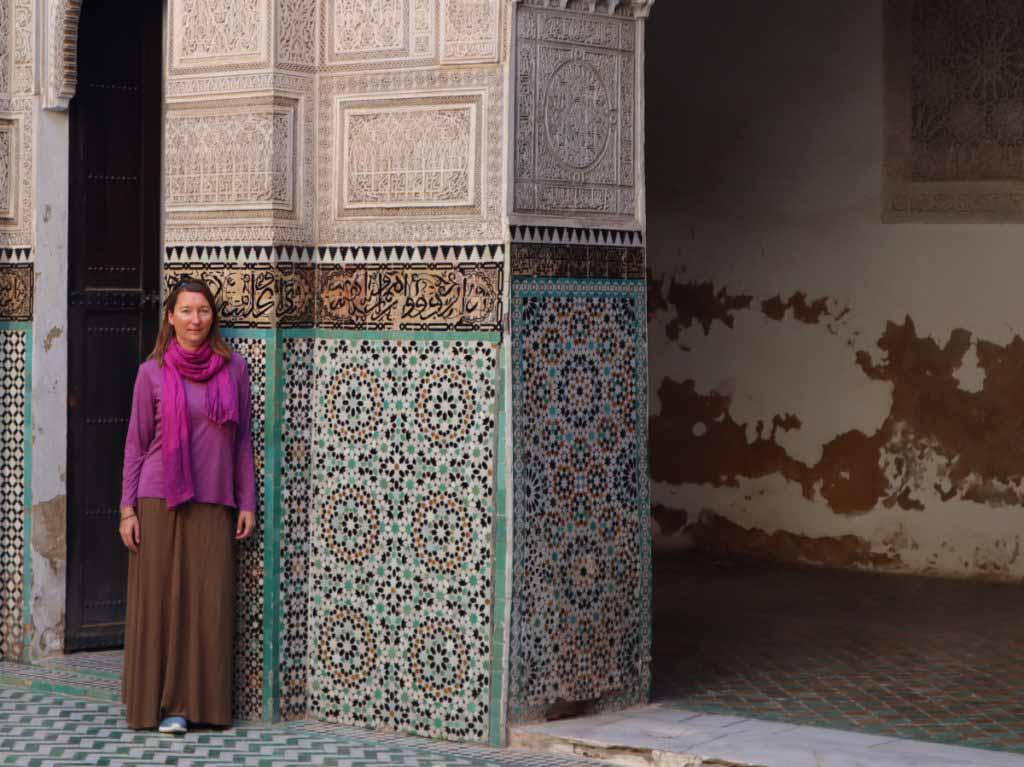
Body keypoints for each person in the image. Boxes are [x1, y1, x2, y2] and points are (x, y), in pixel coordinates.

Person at [118, 278, 257, 734]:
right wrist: (127, 510)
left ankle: (202, 706)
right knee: (160, 601)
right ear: (171, 317)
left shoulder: (233, 369)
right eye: (186, 311)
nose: (195, 320)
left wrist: (246, 501)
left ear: (211, 316)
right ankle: (156, 705)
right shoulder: (152, 372)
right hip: (159, 499)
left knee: (205, 602)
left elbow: (242, 443)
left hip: (214, 499)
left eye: (203, 311)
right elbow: (136, 444)